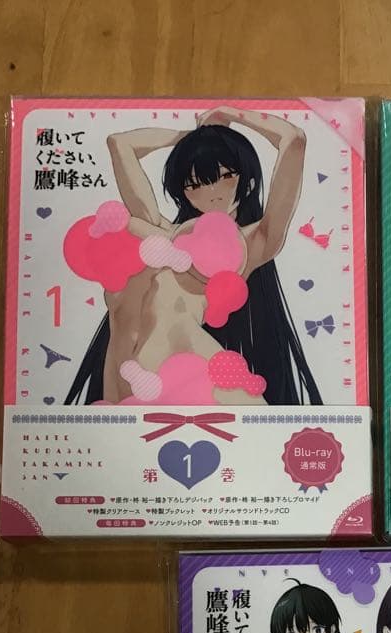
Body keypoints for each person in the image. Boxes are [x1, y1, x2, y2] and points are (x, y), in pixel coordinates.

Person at [64, 106, 322, 407]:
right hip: (129, 379)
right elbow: (119, 143)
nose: (212, 191)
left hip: (192, 372)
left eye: (226, 176)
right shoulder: (163, 231)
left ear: (249, 182)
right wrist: (193, 137)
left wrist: (230, 114)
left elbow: (294, 139)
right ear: (184, 192)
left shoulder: (251, 243)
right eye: (195, 183)